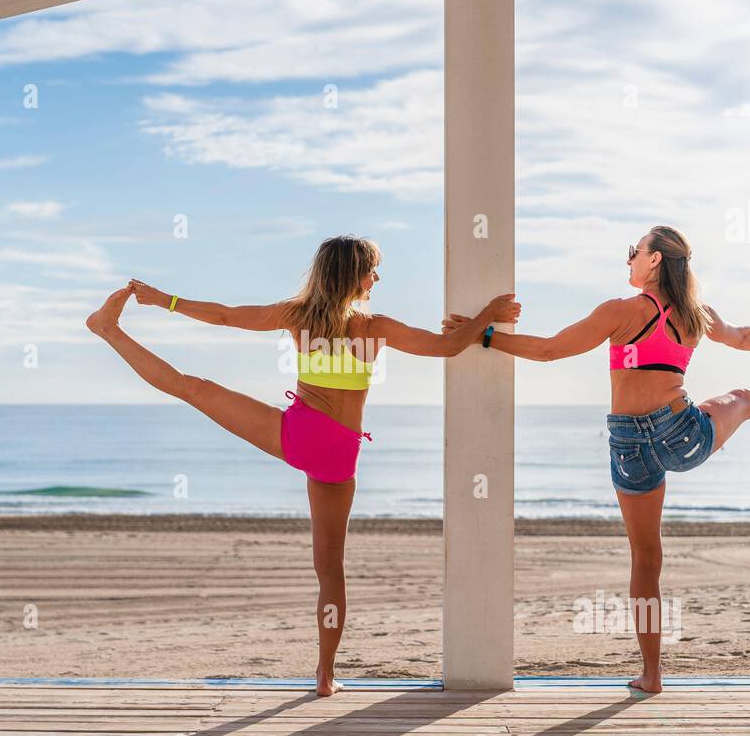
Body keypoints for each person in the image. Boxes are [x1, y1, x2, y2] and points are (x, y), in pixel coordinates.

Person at [87, 234, 520, 695]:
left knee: (191, 387)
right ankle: (325, 674)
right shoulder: (374, 327)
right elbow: (446, 347)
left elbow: (225, 316)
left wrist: (164, 300)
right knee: (331, 568)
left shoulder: (298, 316)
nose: (377, 278)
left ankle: (109, 331)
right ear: (354, 274)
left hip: (295, 436)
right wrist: (487, 316)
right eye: (373, 270)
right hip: (336, 454)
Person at [443, 225, 750, 693]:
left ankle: (652, 674)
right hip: (679, 432)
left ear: (655, 259)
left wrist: (484, 336)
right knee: (743, 400)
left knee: (646, 557)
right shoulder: (693, 315)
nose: (628, 261)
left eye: (633, 252)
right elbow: (742, 337)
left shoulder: (621, 312)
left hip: (627, 443)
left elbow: (549, 350)